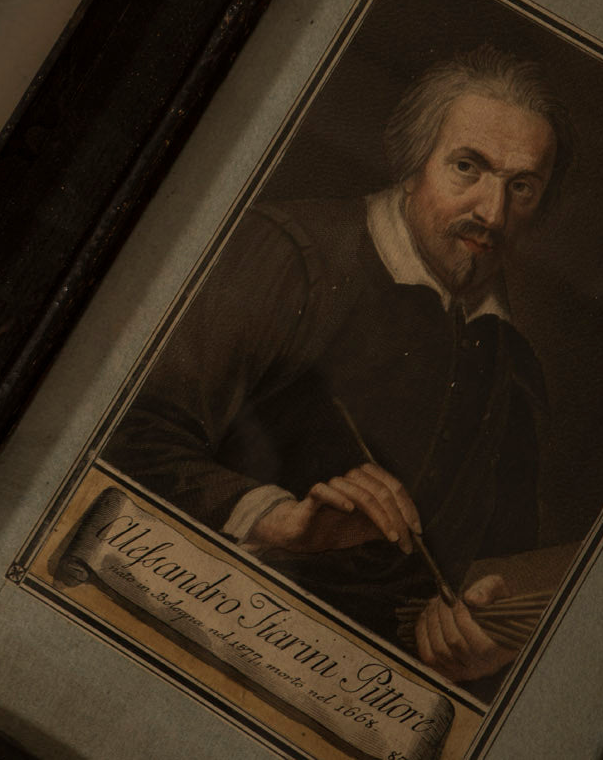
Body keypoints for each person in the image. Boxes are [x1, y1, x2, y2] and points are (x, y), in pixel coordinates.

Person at [104, 47, 569, 685]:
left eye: (522, 187)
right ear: (414, 163)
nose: (493, 212)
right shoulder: (291, 255)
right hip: (194, 631)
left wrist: (490, 626)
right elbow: (125, 431)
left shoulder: (513, 365)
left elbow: (501, 560)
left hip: (375, 687)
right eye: (467, 167)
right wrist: (279, 520)